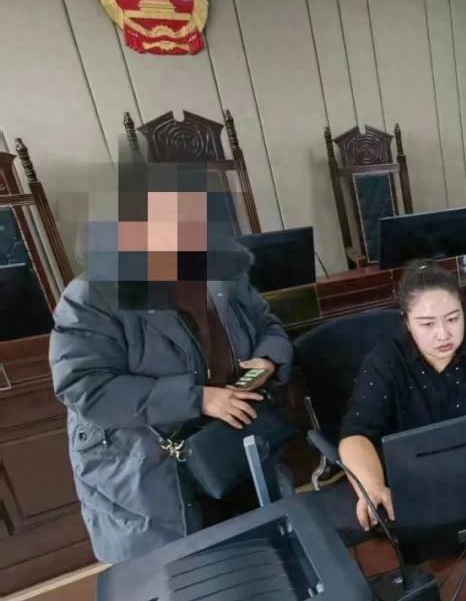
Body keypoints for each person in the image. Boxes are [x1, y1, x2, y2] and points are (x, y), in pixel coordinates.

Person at [49, 190, 293, 564]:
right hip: (150, 469)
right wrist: (199, 397)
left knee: (264, 557)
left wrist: (268, 359)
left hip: (232, 444)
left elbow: (268, 326)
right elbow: (86, 387)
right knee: (187, 577)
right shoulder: (91, 295)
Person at [338, 260, 466, 530]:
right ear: (407, 322)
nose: (443, 334)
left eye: (453, 319)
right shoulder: (386, 362)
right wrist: (372, 486)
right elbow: (356, 435)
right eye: (427, 324)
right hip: (416, 488)